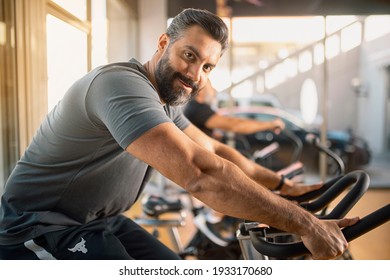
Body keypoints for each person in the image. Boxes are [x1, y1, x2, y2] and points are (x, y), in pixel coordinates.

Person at [0, 8, 358, 260]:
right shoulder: (121, 85)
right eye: (189, 55)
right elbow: (200, 173)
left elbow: (214, 150)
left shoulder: (166, 102)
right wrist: (305, 224)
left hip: (97, 221)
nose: (195, 74)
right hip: (36, 229)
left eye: (207, 67)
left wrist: (282, 188)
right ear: (162, 42)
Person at [183, 79, 285, 138]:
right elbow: (235, 125)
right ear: (200, 90)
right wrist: (270, 124)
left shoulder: (197, 107)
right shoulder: (197, 109)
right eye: (211, 86)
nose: (214, 90)